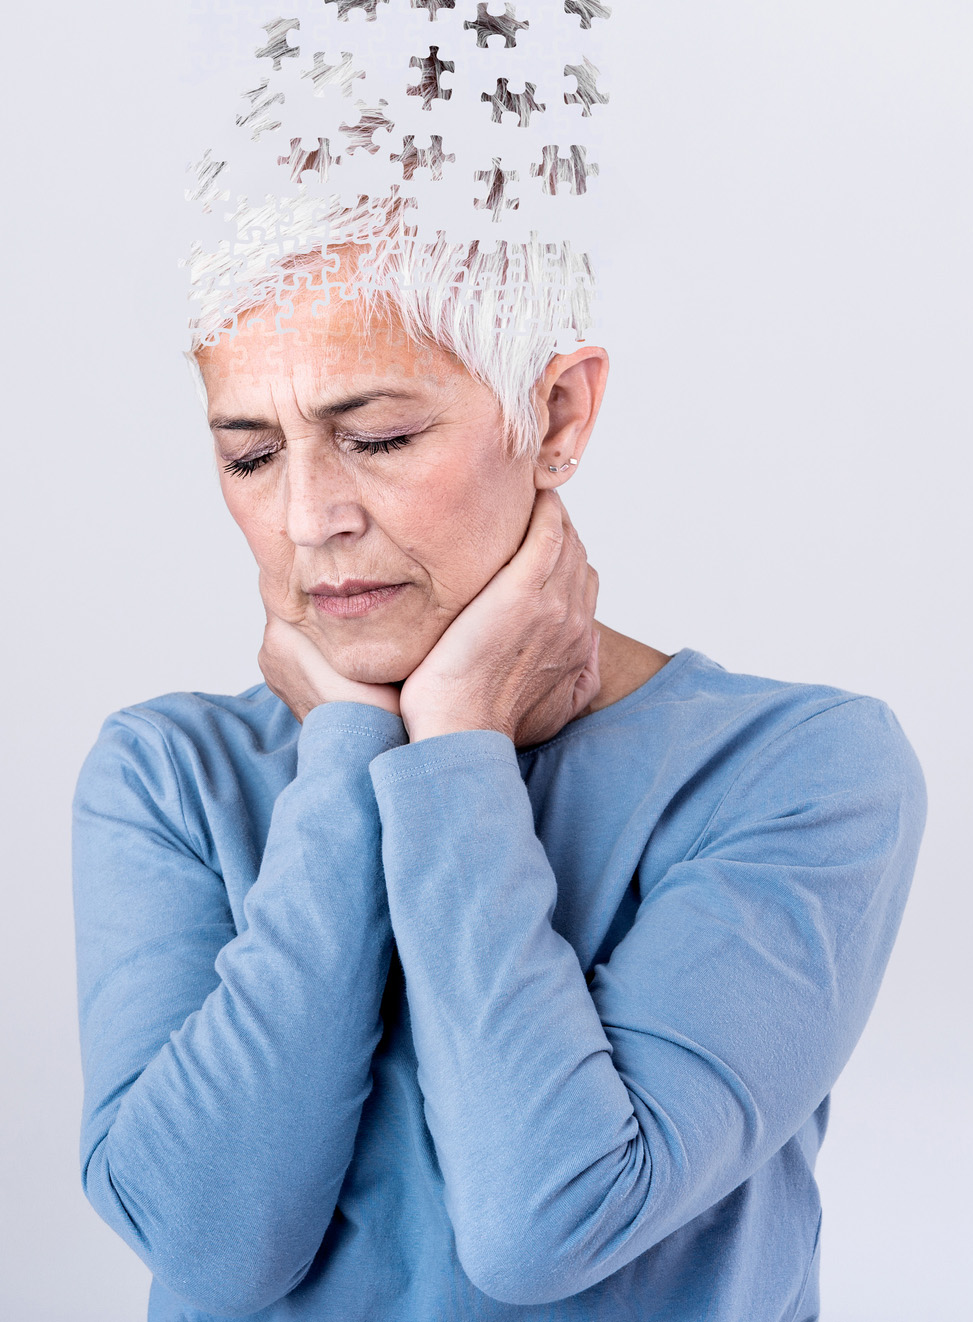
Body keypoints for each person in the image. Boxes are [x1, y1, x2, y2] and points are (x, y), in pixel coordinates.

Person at [71, 230, 927, 1319]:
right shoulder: (165, 774)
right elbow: (209, 1239)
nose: (305, 517)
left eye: (377, 437)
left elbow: (552, 1218)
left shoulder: (800, 768)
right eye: (249, 455)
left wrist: (459, 742)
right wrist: (348, 751)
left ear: (557, 414)